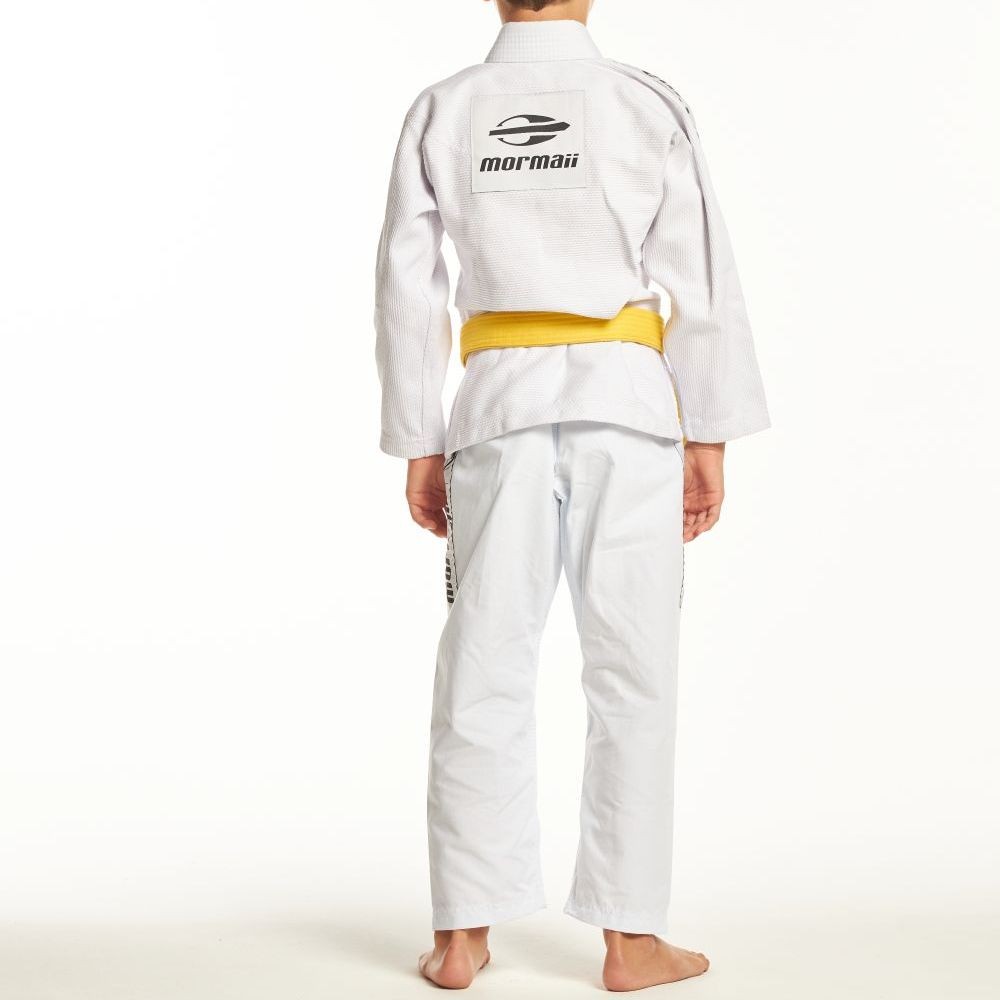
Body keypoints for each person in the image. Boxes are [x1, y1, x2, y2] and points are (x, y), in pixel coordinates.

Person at [374, 0, 769, 990]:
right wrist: (707, 431)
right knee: (633, 671)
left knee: (483, 662)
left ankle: (462, 933)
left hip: (495, 411)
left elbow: (407, 285)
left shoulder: (445, 107)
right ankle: (631, 939)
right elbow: (702, 278)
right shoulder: (641, 104)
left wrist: (419, 437)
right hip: (626, 410)